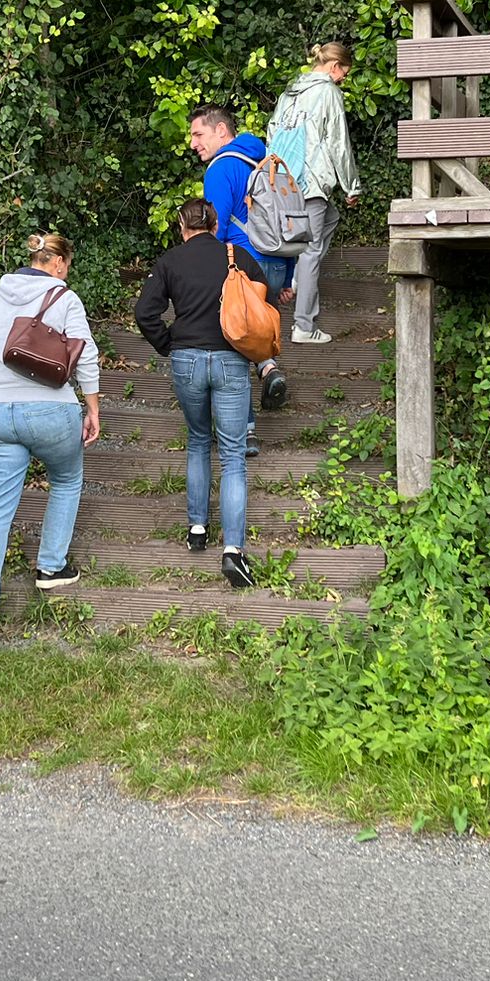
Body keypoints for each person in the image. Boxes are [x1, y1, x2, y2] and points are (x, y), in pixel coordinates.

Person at [0, 233, 101, 650]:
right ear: (57, 262)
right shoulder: (64, 299)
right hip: (49, 411)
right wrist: (92, 408)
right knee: (65, 479)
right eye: (67, 264)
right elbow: (86, 356)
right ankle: (51, 568)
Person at [134, 198, 266, 587]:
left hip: (187, 360)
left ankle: (196, 529)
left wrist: (169, 343)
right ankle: (233, 552)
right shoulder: (237, 255)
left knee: (196, 441)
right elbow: (263, 296)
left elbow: (145, 312)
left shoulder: (170, 262)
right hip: (230, 358)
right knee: (233, 455)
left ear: (182, 226)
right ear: (214, 224)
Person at [189, 104, 291, 440]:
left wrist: (203, 266)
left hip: (242, 262)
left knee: (232, 339)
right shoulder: (264, 161)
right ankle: (268, 367)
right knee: (256, 329)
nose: (193, 143)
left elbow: (214, 227)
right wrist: (287, 277)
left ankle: (243, 430)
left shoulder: (220, 169)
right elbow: (282, 215)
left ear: (221, 131)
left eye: (197, 134)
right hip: (276, 260)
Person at [268, 40, 362, 344]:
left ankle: (297, 276)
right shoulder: (328, 93)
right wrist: (352, 186)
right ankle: (304, 327)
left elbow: (271, 132)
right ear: (334, 67)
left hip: (284, 181)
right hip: (310, 184)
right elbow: (338, 143)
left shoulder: (290, 92)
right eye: (344, 73)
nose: (343, 80)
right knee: (310, 252)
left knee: (328, 221)